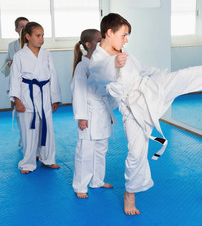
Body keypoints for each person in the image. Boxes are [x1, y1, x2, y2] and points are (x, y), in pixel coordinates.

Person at [88, 13, 202, 215]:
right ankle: (130, 194)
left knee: (185, 76)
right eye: (124, 35)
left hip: (149, 88)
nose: (126, 40)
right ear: (109, 33)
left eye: (127, 35)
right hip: (133, 109)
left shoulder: (122, 51)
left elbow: (141, 68)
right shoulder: (99, 59)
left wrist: (158, 74)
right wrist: (113, 65)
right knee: (136, 153)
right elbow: (98, 72)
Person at [9, 22, 61, 174]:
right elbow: (15, 79)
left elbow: (53, 76)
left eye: (43, 35)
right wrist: (17, 100)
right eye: (38, 36)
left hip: (44, 94)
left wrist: (55, 97)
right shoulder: (19, 56)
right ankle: (28, 163)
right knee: (28, 130)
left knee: (47, 129)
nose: (41, 39)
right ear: (27, 36)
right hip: (27, 95)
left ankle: (48, 159)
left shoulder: (46, 54)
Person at [71, 29, 117, 198]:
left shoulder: (103, 64)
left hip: (103, 111)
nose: (102, 42)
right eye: (99, 40)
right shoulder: (82, 66)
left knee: (101, 149)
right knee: (85, 150)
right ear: (88, 45)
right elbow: (78, 92)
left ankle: (97, 180)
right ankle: (80, 186)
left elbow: (109, 88)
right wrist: (81, 116)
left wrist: (110, 111)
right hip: (89, 113)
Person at [1, 17, 29, 149]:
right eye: (22, 26)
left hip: (30, 83)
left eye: (27, 25)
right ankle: (23, 137)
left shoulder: (34, 43)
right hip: (15, 83)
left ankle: (31, 139)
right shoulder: (12, 46)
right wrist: (10, 63)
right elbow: (5, 64)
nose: (24, 28)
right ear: (16, 29)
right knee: (19, 113)